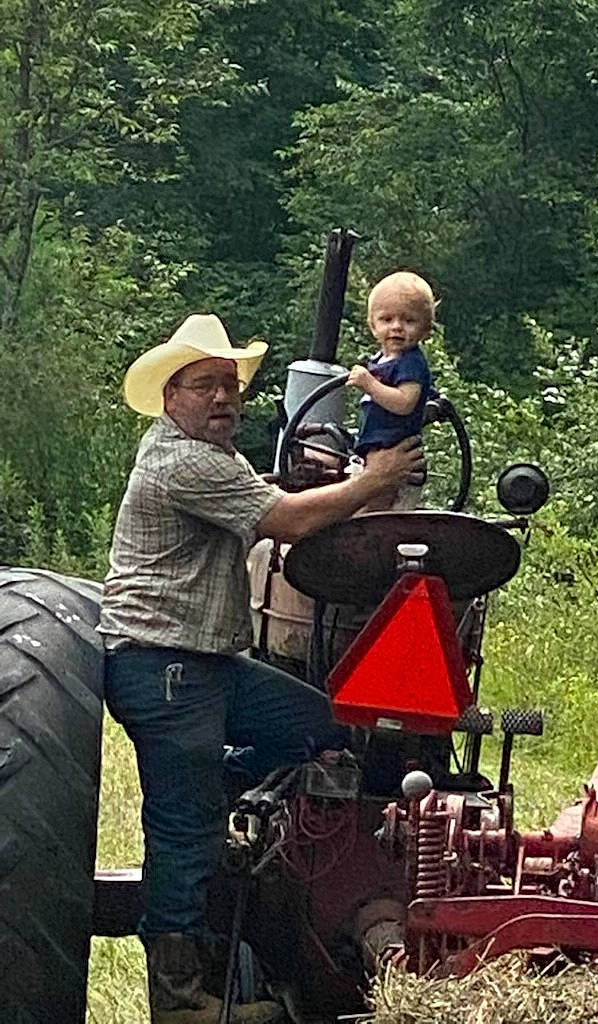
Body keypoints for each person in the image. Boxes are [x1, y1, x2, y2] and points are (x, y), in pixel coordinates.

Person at [98, 312, 424, 1024]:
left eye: (230, 386)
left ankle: (255, 819)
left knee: (315, 722)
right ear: (169, 397)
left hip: (207, 666)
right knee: (185, 828)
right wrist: (378, 479)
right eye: (204, 386)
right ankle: (180, 1000)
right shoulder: (180, 463)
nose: (222, 399)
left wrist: (309, 475)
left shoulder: (215, 458)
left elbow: (270, 494)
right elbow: (289, 523)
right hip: (165, 667)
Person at [346, 271, 434, 510]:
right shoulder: (380, 359)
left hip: (395, 452)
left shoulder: (411, 362)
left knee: (375, 514)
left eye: (408, 321)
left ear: (425, 329)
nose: (396, 327)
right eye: (386, 320)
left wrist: (369, 384)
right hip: (373, 448)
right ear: (373, 326)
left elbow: (405, 402)